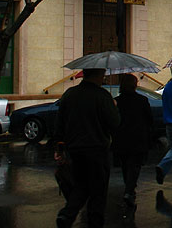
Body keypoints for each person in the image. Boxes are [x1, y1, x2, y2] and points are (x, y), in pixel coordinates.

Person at [54, 69, 120, 228]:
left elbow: (60, 122)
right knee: (98, 189)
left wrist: (60, 146)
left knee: (81, 184)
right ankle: (94, 221)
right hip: (97, 149)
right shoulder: (102, 96)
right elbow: (115, 123)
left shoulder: (70, 94)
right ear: (98, 75)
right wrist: (113, 106)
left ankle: (67, 214)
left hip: (75, 149)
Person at [113, 73, 153, 209]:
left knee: (125, 165)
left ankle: (129, 189)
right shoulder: (142, 100)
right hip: (138, 137)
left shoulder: (117, 101)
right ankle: (129, 191)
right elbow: (149, 119)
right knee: (135, 166)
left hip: (122, 138)